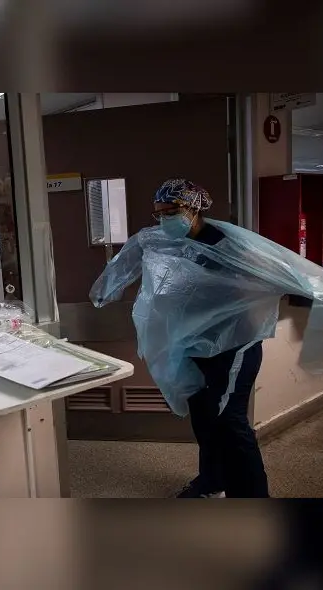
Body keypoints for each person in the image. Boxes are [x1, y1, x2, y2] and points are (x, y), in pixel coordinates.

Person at [96, 178, 270, 498]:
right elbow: (151, 271)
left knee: (230, 421)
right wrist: (109, 289)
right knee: (204, 417)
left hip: (235, 345)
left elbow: (263, 279)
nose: (164, 220)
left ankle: (253, 495)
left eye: (170, 211)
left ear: (193, 207)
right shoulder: (169, 243)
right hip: (196, 344)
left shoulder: (227, 243)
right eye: (159, 214)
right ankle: (212, 482)